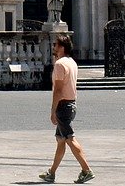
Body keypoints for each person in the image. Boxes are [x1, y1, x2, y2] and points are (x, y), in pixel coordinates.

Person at [39, 33, 93, 184]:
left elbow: (58, 90)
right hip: (71, 103)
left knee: (69, 138)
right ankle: (52, 172)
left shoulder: (60, 64)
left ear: (62, 47)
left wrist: (52, 111)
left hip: (63, 105)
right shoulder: (72, 62)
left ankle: (86, 170)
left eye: (55, 45)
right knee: (61, 140)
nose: (53, 47)